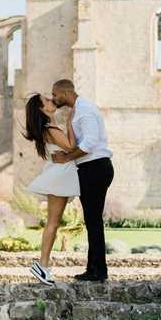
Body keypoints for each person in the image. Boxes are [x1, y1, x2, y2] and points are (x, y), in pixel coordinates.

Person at [51, 79, 114, 282]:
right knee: (92, 220)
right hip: (90, 168)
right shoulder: (77, 111)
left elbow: (90, 142)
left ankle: (99, 271)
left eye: (55, 94)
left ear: (65, 92)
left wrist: (66, 157)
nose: (53, 98)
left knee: (93, 221)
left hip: (95, 168)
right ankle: (94, 269)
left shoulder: (85, 110)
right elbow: (79, 143)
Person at [23, 93, 80, 285]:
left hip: (59, 175)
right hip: (59, 177)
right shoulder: (51, 128)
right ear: (41, 109)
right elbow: (72, 147)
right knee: (53, 223)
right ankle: (42, 265)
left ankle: (43, 265)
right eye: (46, 100)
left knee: (53, 223)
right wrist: (70, 122)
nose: (51, 100)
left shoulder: (48, 129)